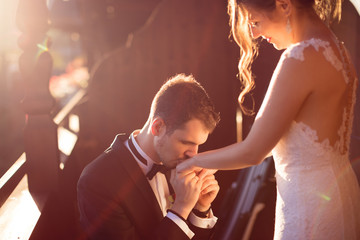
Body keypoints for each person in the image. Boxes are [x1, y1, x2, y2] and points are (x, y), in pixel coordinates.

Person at [177, 0, 360, 239]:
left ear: (284, 5)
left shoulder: (299, 58)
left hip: (308, 210)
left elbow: (254, 151)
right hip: (341, 199)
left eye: (256, 21)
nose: (254, 33)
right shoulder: (340, 51)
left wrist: (190, 163)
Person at [77, 74, 221, 240]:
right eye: (185, 142)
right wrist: (180, 208)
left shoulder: (176, 161)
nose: (194, 155)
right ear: (158, 127)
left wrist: (201, 209)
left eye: (198, 144)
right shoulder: (97, 180)